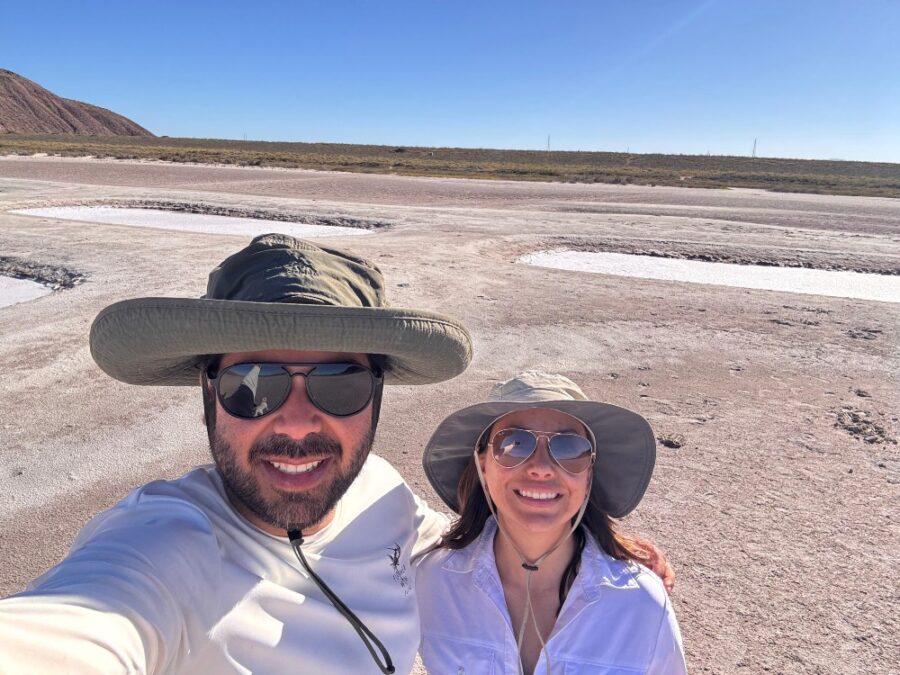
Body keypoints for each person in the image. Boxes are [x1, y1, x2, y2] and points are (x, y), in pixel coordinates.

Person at [0, 234, 474, 674]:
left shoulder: (379, 486)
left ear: (377, 395)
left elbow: (463, 546)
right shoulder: (163, 547)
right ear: (209, 395)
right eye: (253, 386)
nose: (296, 422)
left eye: (342, 384)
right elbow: (74, 627)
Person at [417, 371, 686, 674]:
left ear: (589, 474)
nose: (541, 468)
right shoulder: (433, 582)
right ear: (483, 463)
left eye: (569, 447)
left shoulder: (641, 604)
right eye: (514, 443)